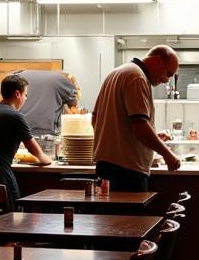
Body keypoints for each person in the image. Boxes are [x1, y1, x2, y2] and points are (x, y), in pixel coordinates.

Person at [92, 45, 182, 191]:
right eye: (168, 74)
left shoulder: (116, 73)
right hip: (127, 172)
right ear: (158, 61)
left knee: (108, 213)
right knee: (129, 214)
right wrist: (167, 153)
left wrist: (145, 138)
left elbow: (96, 119)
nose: (166, 80)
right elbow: (139, 125)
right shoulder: (137, 77)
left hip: (105, 167)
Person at [17, 69, 79, 136]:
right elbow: (74, 108)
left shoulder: (19, 75)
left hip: (17, 130)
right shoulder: (64, 80)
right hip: (44, 134)